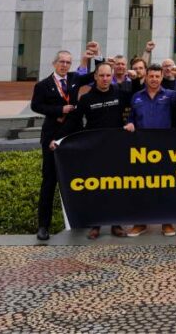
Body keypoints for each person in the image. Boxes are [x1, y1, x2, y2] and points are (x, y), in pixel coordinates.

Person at [53, 61, 130, 239]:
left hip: (116, 148)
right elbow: (73, 121)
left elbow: (136, 107)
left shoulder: (120, 94)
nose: (105, 79)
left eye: (108, 75)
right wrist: (58, 139)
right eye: (101, 75)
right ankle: (96, 225)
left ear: (112, 77)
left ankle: (116, 224)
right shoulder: (86, 99)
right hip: (94, 149)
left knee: (116, 187)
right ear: (95, 77)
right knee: (96, 187)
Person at [30, 48, 96, 241]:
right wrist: (59, 109)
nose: (65, 65)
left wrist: (95, 56)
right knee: (49, 182)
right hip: (52, 136)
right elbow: (36, 106)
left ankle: (82, 220)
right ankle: (43, 226)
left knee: (80, 179)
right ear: (54, 63)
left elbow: (95, 75)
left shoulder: (74, 78)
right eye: (62, 62)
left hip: (74, 135)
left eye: (68, 62)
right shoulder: (43, 85)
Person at [123, 64, 176, 237]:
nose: (154, 79)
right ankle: (140, 223)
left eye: (157, 76)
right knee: (142, 186)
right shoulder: (137, 96)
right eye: (151, 76)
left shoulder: (169, 95)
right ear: (146, 77)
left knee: (164, 185)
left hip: (164, 147)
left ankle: (166, 222)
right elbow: (131, 118)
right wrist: (130, 124)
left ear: (161, 77)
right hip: (142, 149)